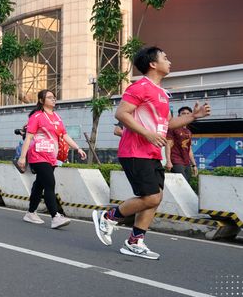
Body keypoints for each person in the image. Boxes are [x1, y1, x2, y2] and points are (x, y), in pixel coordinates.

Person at [92, 47, 211, 259]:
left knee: (156, 198)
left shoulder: (162, 93)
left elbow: (168, 124)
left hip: (153, 153)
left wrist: (194, 116)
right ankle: (108, 217)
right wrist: (147, 134)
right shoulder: (140, 87)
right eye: (165, 58)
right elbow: (122, 113)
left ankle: (135, 241)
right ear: (153, 64)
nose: (169, 61)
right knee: (151, 197)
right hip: (135, 151)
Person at [16, 89, 86, 229]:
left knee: (39, 184)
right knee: (49, 184)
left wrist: (78, 148)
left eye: (54, 97)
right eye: (49, 97)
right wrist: (22, 157)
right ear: (41, 101)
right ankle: (55, 217)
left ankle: (30, 213)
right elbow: (28, 138)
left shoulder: (57, 117)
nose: (53, 99)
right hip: (38, 155)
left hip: (52, 156)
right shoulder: (36, 116)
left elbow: (64, 135)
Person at [166, 106, 198, 183]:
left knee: (187, 185)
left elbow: (189, 149)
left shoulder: (188, 131)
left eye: (188, 113)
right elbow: (168, 145)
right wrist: (168, 161)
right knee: (182, 183)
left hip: (187, 162)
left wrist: (194, 165)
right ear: (178, 115)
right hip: (176, 161)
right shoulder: (173, 127)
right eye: (183, 113)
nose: (185, 115)